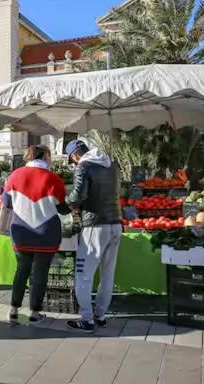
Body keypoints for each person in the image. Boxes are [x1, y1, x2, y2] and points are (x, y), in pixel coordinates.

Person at [2, 145, 69, 326]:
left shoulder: (14, 176)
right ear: (45, 156)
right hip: (46, 233)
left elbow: (7, 203)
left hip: (21, 231)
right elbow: (63, 209)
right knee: (40, 274)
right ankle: (34, 313)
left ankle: (13, 311)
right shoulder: (54, 179)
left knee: (21, 271)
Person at [65, 139, 122, 333]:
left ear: (74, 156)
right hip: (115, 223)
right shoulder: (111, 165)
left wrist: (64, 204)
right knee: (108, 275)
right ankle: (101, 315)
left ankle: (87, 320)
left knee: (83, 275)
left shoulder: (84, 166)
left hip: (95, 225)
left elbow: (78, 195)